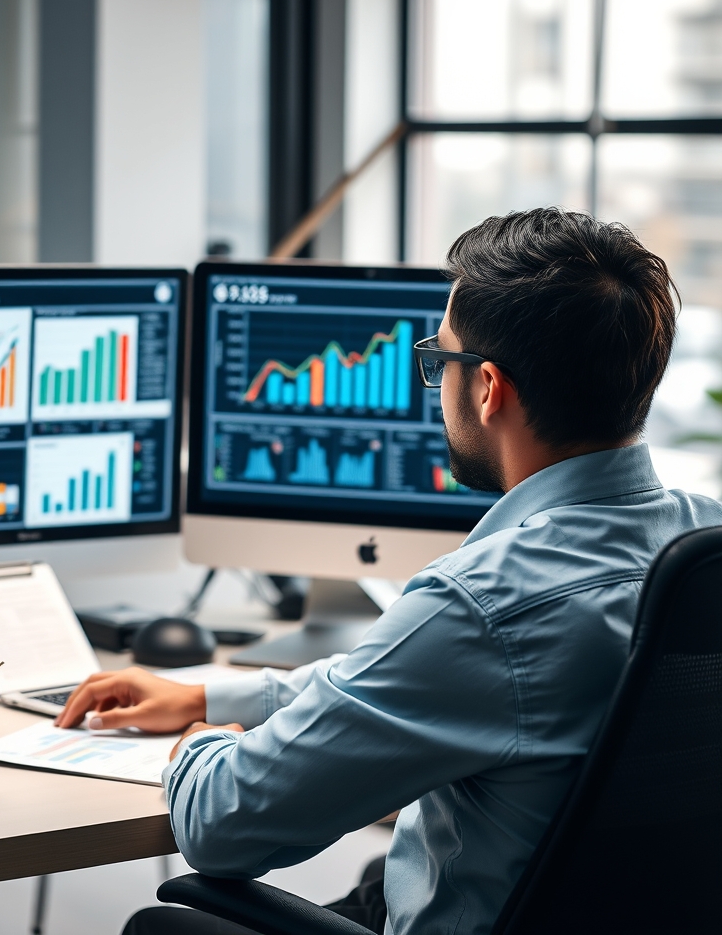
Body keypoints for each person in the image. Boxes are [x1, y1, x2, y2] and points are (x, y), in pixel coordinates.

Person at [56, 208, 722, 935]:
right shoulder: (704, 544)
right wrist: (212, 694)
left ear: (489, 388)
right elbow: (389, 683)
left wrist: (196, 747)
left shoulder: (484, 606)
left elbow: (224, 825)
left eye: (441, 361)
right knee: (381, 876)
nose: (435, 384)